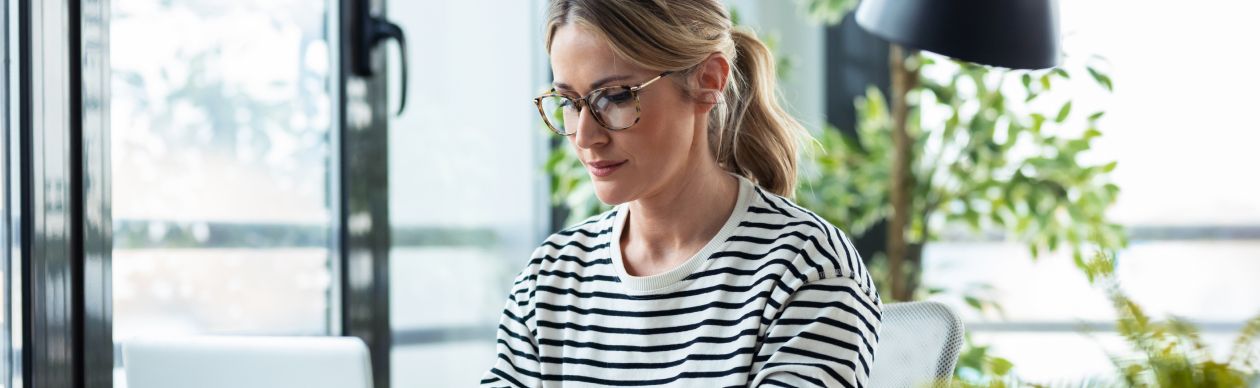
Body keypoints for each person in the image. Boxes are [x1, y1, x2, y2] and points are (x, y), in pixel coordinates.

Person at [481, 1, 881, 386]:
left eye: (616, 96)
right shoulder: (549, 279)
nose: (585, 136)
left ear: (708, 81)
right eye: (569, 102)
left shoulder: (806, 267)